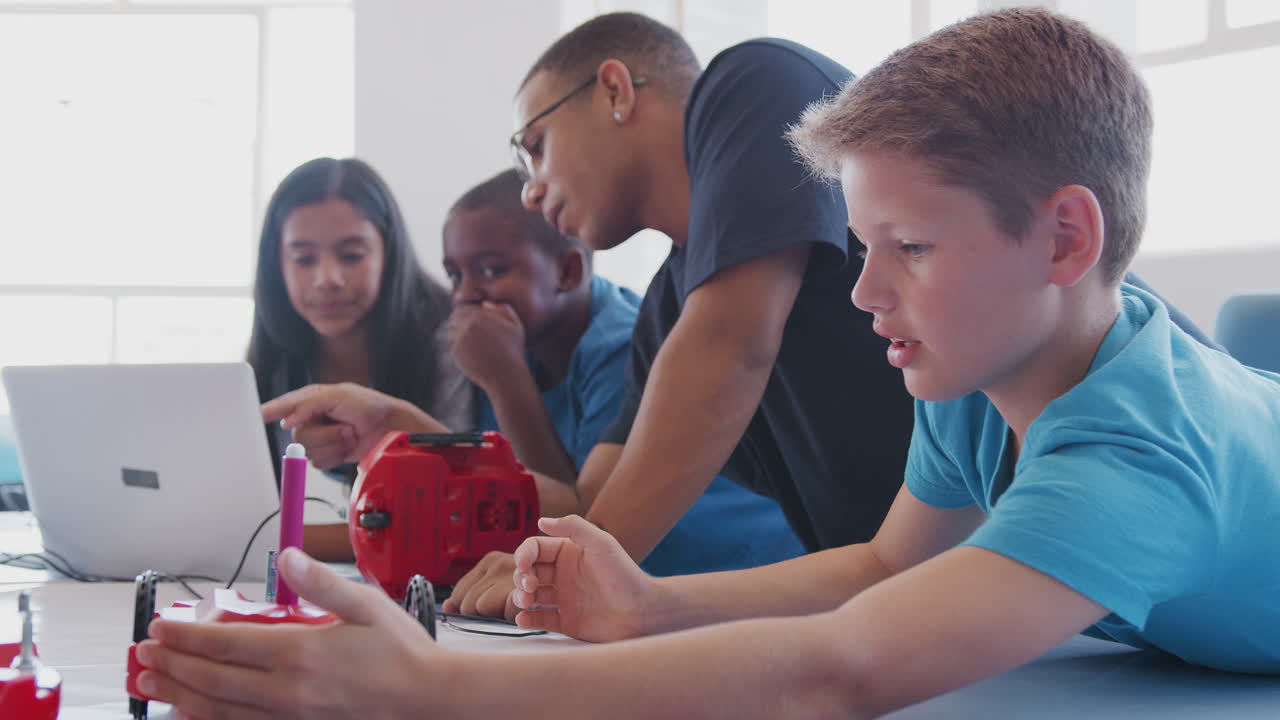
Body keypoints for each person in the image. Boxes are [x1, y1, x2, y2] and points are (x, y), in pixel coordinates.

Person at [135, 9, 1279, 717]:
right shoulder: (983, 376)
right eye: (864, 243)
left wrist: (444, 692)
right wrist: (647, 604)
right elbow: (878, 570)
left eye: (910, 249)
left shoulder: (1131, 454)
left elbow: (839, 672)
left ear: (1064, 239)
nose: (863, 289)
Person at [442, 169, 804, 593]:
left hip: (737, 579)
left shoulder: (624, 344)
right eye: (454, 275)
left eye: (489, 270)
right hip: (636, 582)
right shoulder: (509, 345)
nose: (465, 294)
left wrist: (505, 382)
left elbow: (578, 520)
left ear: (568, 272)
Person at [247, 157, 474, 558]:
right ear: (275, 263)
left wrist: (263, 539)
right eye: (303, 259)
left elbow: (444, 512)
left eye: (352, 255)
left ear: (389, 252)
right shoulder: (278, 353)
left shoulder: (447, 339)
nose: (327, 278)